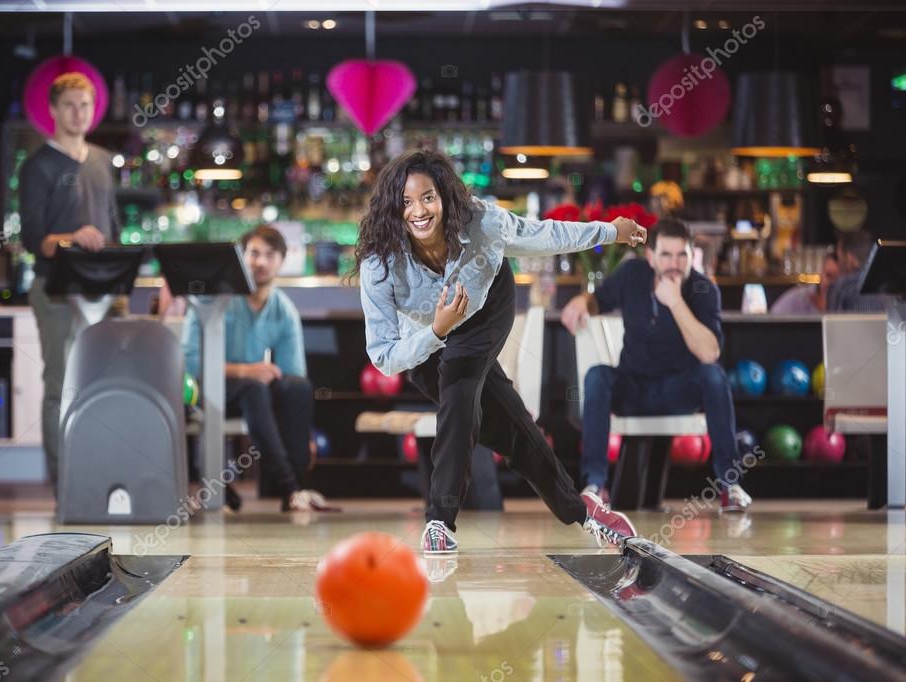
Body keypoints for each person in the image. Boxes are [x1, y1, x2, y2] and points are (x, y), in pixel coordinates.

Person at [356, 149, 646, 554]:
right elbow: (385, 358)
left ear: (444, 198)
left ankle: (439, 521)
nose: (418, 211)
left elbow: (543, 235)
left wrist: (608, 232)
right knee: (513, 430)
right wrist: (437, 329)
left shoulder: (483, 222)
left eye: (427, 197)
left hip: (486, 308)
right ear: (392, 206)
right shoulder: (380, 263)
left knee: (459, 386)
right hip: (424, 341)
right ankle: (584, 512)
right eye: (406, 201)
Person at [560, 218, 752, 513]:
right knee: (597, 375)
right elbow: (598, 299)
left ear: (692, 255)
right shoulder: (631, 275)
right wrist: (582, 302)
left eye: (681, 255)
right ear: (650, 256)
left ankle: (730, 486)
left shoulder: (703, 290)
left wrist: (675, 302)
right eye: (666, 255)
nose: (674, 264)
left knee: (713, 376)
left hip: (678, 392)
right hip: (633, 389)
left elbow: (709, 353)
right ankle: (595, 485)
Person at [182, 225, 333, 512]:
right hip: (204, 389)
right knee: (254, 387)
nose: (260, 262)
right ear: (240, 256)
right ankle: (291, 487)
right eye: (253, 253)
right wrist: (246, 371)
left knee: (297, 389)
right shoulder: (212, 297)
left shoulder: (283, 310)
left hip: (251, 395)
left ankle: (297, 491)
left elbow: (293, 374)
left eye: (269, 254)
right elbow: (190, 362)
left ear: (281, 261)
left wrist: (307, 436)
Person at [20, 72, 120, 493]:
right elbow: (32, 241)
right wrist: (71, 238)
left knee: (105, 385)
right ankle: (64, 483)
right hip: (56, 290)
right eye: (70, 105)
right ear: (54, 111)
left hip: (102, 290)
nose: (79, 113)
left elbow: (112, 225)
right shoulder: (38, 166)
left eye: (85, 105)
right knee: (59, 384)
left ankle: (99, 475)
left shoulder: (100, 160)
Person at [827, 230, 888, 312]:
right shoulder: (886, 282)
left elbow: (830, 321)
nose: (839, 263)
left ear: (850, 257)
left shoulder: (843, 285)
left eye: (839, 257)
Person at [771, 253, 839, 314]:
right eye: (829, 276)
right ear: (821, 272)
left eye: (839, 279)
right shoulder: (797, 299)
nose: (832, 283)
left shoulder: (847, 304)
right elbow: (772, 323)